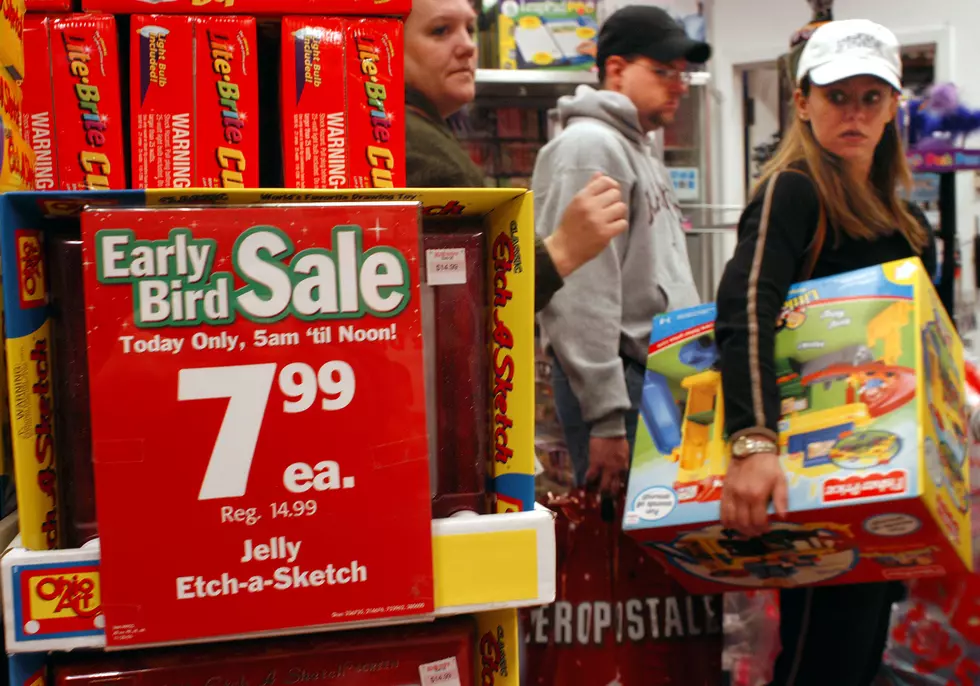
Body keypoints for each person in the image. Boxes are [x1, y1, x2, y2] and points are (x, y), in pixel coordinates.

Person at [714, 19, 935, 686]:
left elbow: (932, 349)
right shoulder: (795, 192)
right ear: (803, 102)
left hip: (885, 470)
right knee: (819, 658)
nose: (856, 113)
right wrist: (754, 441)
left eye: (873, 97)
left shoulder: (909, 223)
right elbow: (744, 310)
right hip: (809, 464)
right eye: (838, 95)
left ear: (895, 107)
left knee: (860, 651)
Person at [533, 5, 709, 494]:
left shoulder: (638, 147)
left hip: (656, 378)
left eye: (683, 74)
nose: (678, 84)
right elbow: (579, 293)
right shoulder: (589, 147)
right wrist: (607, 418)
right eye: (662, 71)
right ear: (616, 69)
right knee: (620, 548)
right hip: (623, 387)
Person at [403, 0, 628, 312]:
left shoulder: (419, 130)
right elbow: (466, 298)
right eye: (440, 30)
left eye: (469, 29)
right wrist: (562, 248)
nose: (468, 46)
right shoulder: (419, 146)